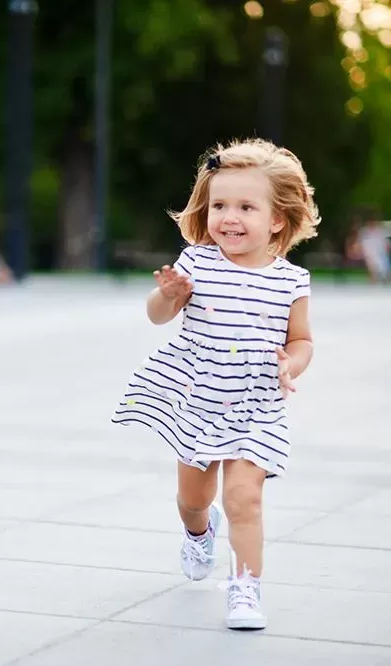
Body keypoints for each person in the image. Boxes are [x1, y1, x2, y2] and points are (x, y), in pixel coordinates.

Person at [110, 138, 317, 631]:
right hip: (198, 401)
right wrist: (168, 297)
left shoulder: (291, 280)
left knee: (244, 498)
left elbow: (303, 339)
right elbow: (158, 316)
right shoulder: (197, 264)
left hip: (257, 403)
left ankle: (245, 586)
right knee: (194, 498)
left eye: (246, 206)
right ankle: (197, 532)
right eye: (219, 205)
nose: (228, 217)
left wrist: (293, 363)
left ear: (277, 219)